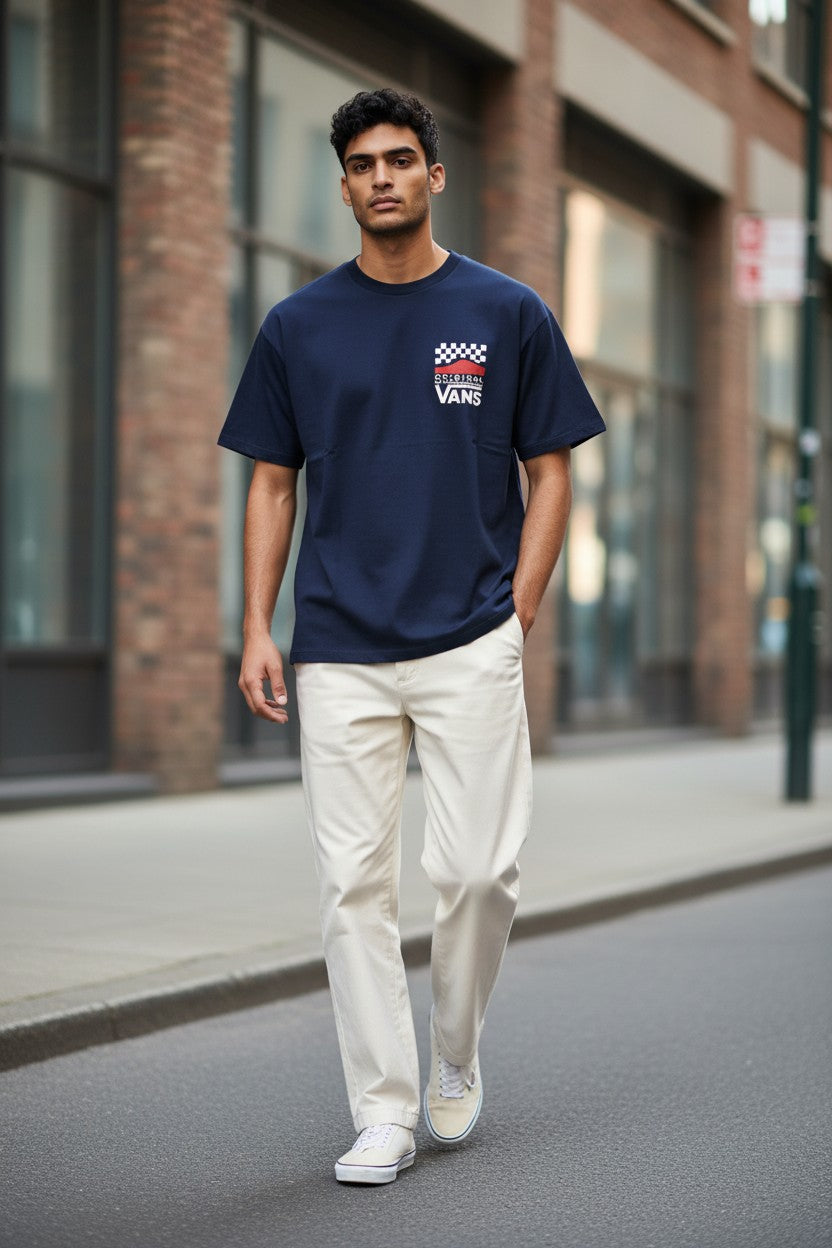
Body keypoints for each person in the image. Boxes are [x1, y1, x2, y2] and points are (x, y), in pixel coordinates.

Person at [218, 88, 605, 1185]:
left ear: (435, 176)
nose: (380, 176)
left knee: (479, 874)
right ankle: (382, 1108)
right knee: (352, 889)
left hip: (468, 635)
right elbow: (271, 485)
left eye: (399, 159)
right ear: (342, 186)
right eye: (360, 163)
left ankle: (453, 1049)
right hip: (337, 643)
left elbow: (552, 471)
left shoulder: (506, 311)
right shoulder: (298, 325)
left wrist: (516, 611)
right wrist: (257, 625)